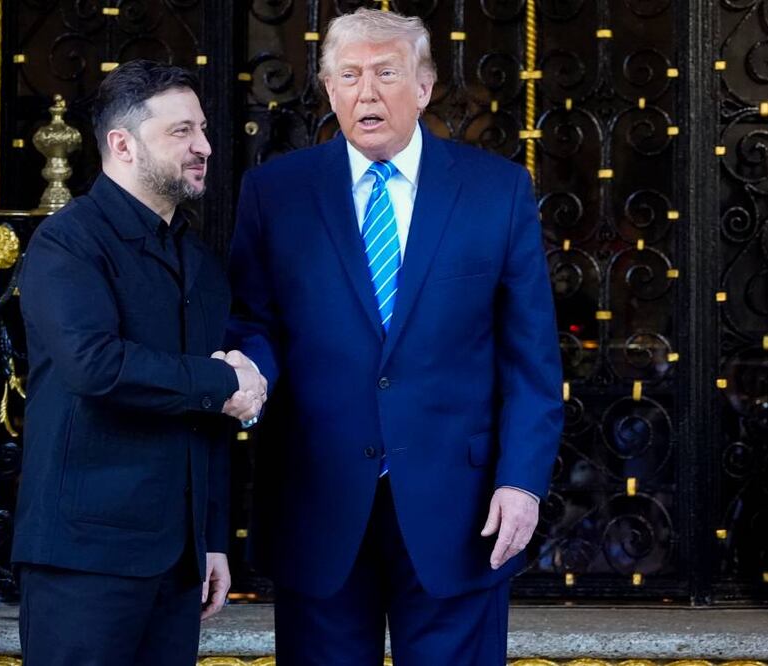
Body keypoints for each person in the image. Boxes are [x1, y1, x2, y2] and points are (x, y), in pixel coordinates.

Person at [227, 8, 564, 664]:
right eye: (348, 75)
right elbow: (253, 322)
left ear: (424, 87)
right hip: (317, 500)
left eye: (386, 73)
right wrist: (248, 371)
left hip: (461, 509)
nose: (367, 92)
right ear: (328, 90)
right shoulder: (276, 192)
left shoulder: (496, 190)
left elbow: (529, 359)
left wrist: (521, 482)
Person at [13, 60, 267, 666]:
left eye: (202, 130)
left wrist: (210, 540)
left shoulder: (201, 264)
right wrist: (223, 380)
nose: (204, 146)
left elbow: (202, 419)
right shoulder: (66, 241)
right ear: (122, 145)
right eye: (181, 132)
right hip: (83, 555)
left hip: (176, 559)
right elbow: (93, 365)